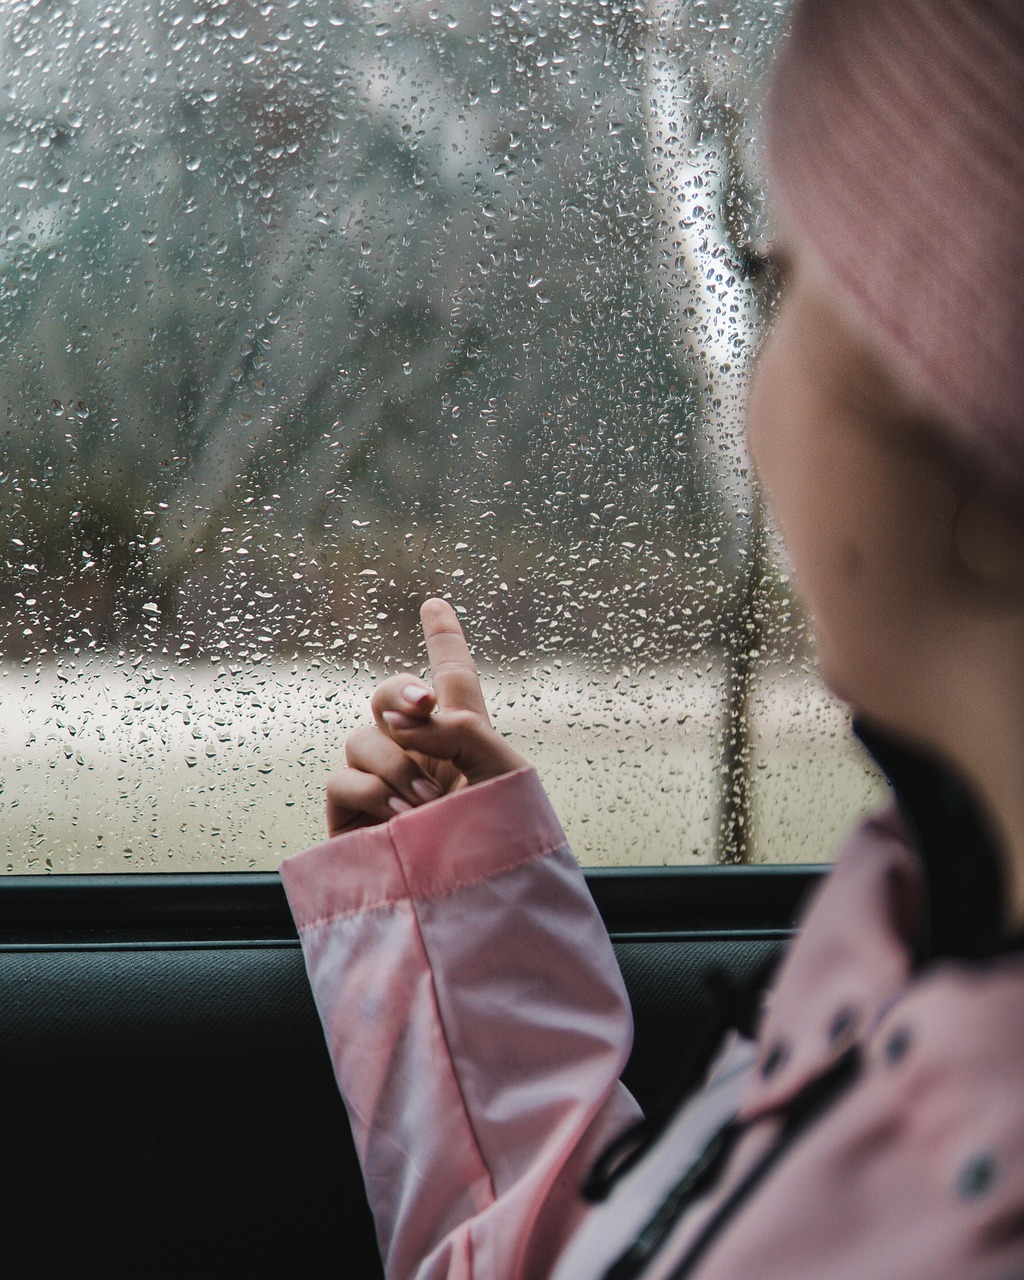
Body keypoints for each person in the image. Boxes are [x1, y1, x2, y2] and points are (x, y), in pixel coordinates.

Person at [279, 0, 1024, 1275]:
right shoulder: (912, 948)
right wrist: (460, 928)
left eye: (784, 287)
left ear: (987, 453)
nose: (756, 390)